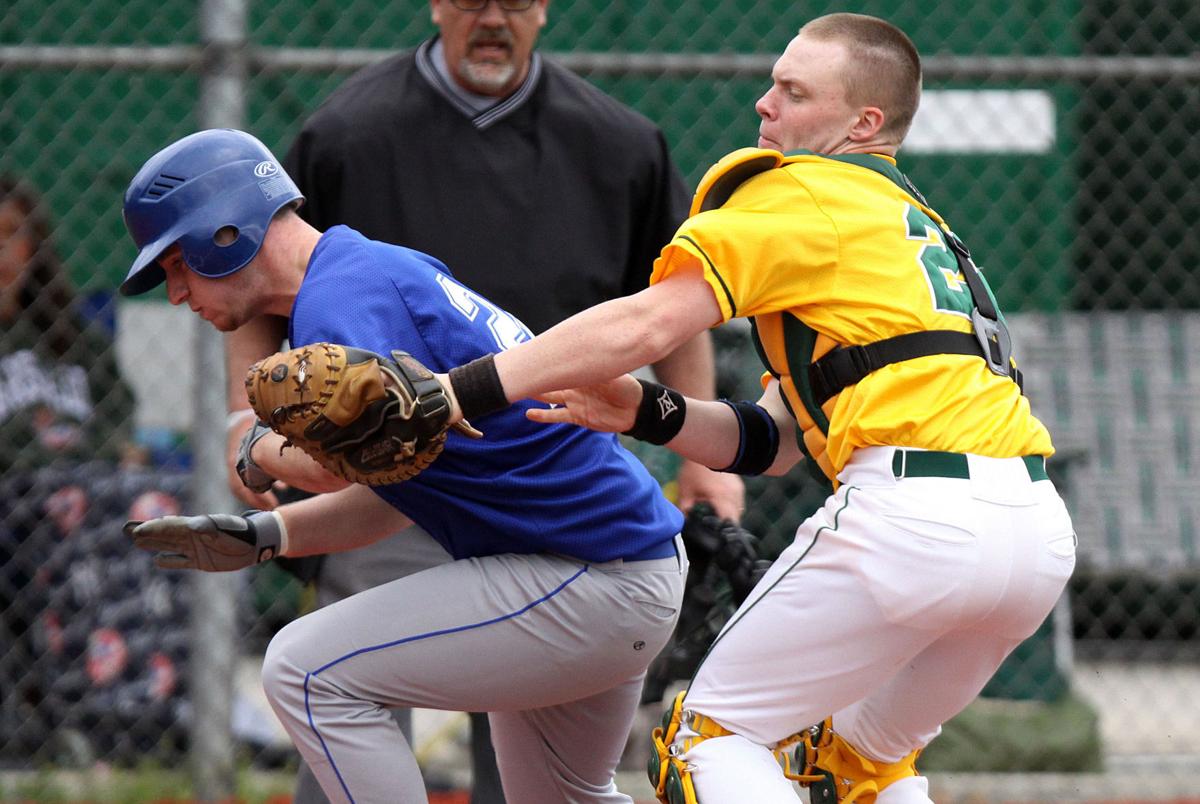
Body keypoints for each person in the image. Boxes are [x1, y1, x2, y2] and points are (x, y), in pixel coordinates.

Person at [435, 13, 1078, 802]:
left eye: (794, 92)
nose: (764, 104)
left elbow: (646, 323)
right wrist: (640, 409)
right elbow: (772, 441)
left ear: (862, 124)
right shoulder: (910, 223)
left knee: (707, 739)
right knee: (862, 762)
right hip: (1030, 537)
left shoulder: (807, 188)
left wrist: (456, 391)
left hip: (913, 523)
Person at [225, 2, 740, 797]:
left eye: (515, 1)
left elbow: (672, 307)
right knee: (342, 716)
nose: (493, 18)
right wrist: (246, 424)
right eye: (473, 1)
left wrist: (701, 454)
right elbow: (253, 282)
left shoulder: (617, 140)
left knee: (333, 681)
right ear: (437, 4)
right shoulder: (351, 131)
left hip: (549, 488)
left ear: (545, 8)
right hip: (397, 479)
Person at [119, 128, 688, 804]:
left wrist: (252, 446)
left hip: (585, 575)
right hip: (614, 572)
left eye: (177, 264)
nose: (176, 293)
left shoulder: (339, 300)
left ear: (225, 233)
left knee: (306, 673)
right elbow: (396, 487)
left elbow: (332, 469)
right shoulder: (360, 268)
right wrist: (272, 535)